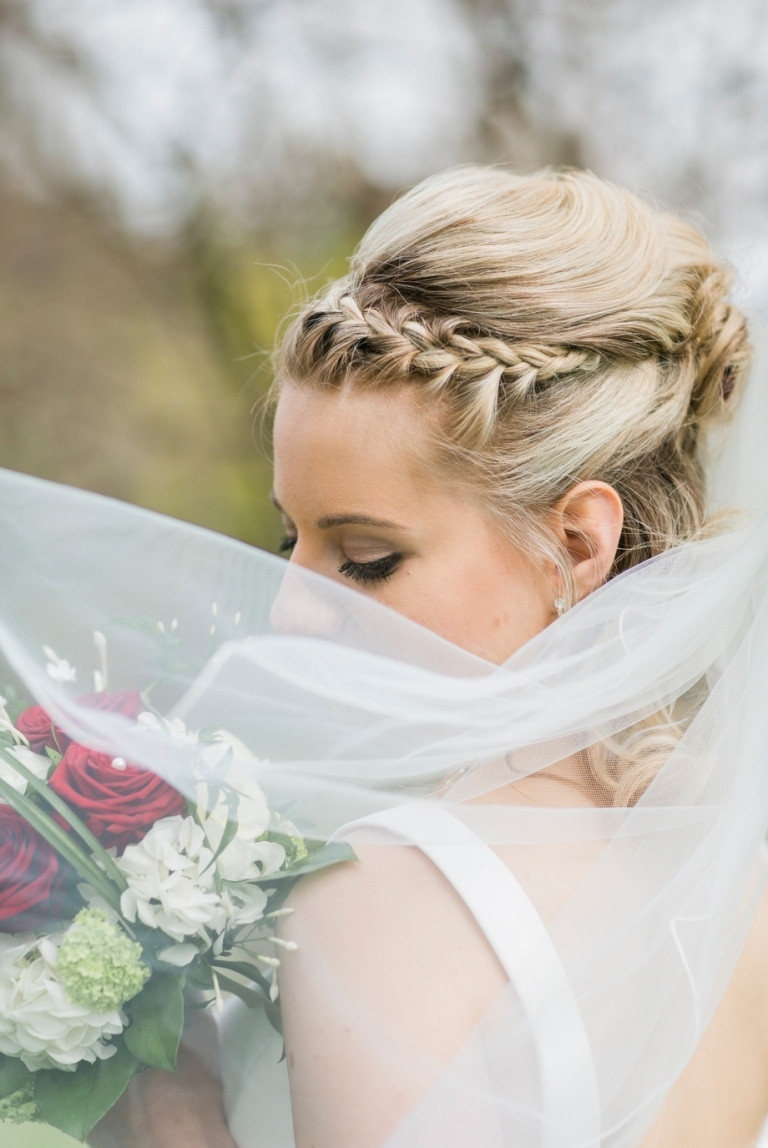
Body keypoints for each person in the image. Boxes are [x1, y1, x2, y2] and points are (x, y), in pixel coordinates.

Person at [32, 165, 768, 1146]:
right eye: (287, 537)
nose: (291, 608)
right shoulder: (729, 883)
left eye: (367, 558)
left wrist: (175, 1113)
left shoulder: (383, 885)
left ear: (578, 545)